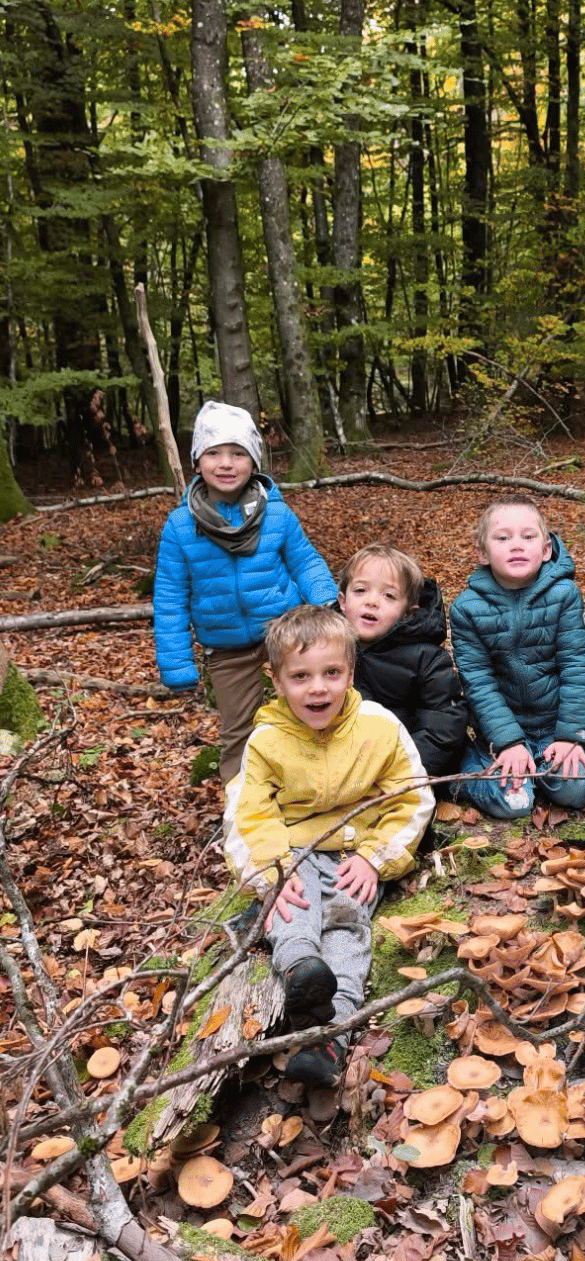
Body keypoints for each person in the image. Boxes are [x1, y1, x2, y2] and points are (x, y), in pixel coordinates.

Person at [222, 606, 434, 1088]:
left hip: (354, 851)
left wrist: (375, 857)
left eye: (331, 673)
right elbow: (248, 813)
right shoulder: (266, 741)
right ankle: (302, 973)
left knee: (347, 918)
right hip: (293, 851)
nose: (318, 688)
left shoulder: (379, 727)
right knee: (293, 909)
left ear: (350, 674)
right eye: (300, 677)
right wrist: (272, 874)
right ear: (275, 681)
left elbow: (412, 796)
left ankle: (329, 1033)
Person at [152, 401, 336, 783]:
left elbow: (304, 561)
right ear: (197, 462)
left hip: (284, 637)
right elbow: (170, 597)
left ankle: (316, 786)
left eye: (238, 453)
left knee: (306, 714)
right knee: (239, 731)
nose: (226, 463)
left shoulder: (276, 513)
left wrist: (328, 601)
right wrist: (176, 663)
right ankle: (241, 807)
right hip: (226, 649)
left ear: (254, 461)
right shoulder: (181, 526)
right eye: (213, 453)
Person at [449, 498, 585, 819]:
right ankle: (471, 765)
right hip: (499, 730)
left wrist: (570, 736)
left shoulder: (564, 595)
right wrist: (507, 742)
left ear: (546, 550)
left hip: (553, 726)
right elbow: (478, 681)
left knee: (577, 791)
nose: (516, 545)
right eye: (503, 538)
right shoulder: (466, 608)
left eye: (528, 537)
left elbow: (577, 667)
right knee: (515, 804)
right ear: (482, 554)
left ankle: (542, 766)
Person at [338, 543, 467, 780]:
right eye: (360, 591)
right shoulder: (327, 647)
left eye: (388, 595)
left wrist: (407, 772)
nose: (372, 601)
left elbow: (443, 725)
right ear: (342, 601)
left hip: (407, 764)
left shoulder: (425, 658)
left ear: (408, 612)